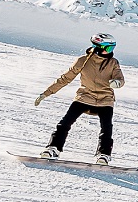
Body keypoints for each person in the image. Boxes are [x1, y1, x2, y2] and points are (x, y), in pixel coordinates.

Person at [35, 33, 126, 163]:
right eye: (108, 48)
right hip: (84, 97)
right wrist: (46, 93)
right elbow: (65, 78)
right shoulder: (83, 61)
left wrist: (117, 83)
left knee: (106, 128)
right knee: (64, 123)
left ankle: (104, 155)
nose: (110, 51)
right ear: (99, 47)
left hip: (105, 99)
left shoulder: (113, 63)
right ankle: (53, 148)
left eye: (112, 48)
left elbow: (120, 79)